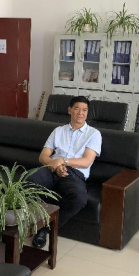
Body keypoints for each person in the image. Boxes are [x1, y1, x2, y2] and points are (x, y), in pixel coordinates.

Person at [30, 96, 102, 249]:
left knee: (79, 198)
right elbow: (43, 156)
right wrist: (54, 165)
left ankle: (44, 228)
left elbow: (86, 161)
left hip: (74, 173)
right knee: (29, 180)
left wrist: (63, 161)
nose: (81, 113)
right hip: (51, 168)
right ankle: (26, 221)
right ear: (69, 110)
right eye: (77, 109)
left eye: (84, 110)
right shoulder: (58, 131)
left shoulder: (93, 134)